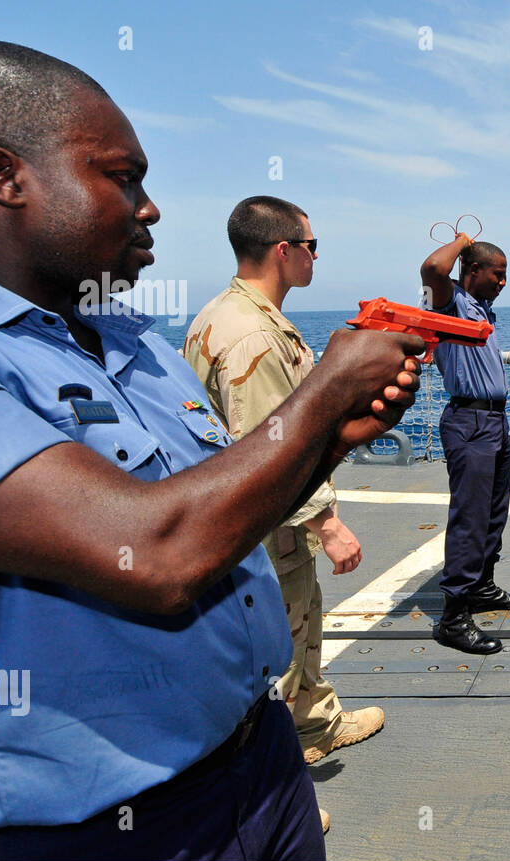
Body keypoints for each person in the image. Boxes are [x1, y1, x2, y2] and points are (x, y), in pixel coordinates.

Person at [0, 41, 422, 861]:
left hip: (261, 769)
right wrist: (324, 394)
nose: (150, 208)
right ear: (3, 176)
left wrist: (327, 441)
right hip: (90, 840)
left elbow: (220, 499)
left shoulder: (129, 335)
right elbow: (156, 551)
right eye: (122, 177)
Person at [185, 196, 385, 766]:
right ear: (284, 249)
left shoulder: (222, 315)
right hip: (264, 527)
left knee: (300, 619)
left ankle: (314, 723)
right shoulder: (252, 335)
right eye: (311, 246)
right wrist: (329, 523)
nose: (316, 258)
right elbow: (268, 447)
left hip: (252, 519)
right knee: (273, 651)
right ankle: (271, 794)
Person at [421, 230, 510, 655]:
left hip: (493, 421)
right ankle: (453, 616)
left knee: (493, 513)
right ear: (472, 271)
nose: (503, 282)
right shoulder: (450, 302)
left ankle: (483, 586)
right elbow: (432, 268)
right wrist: (463, 241)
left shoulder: (481, 310)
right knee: (469, 517)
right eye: (497, 274)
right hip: (469, 420)